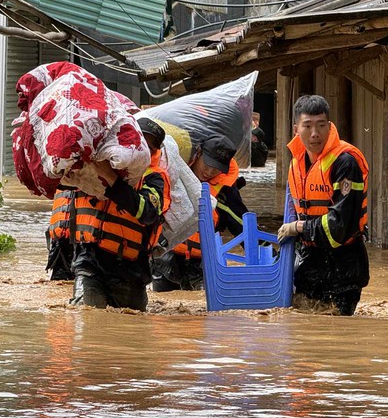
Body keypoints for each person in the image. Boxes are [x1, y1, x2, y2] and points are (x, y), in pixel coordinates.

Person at [51, 117, 171, 310]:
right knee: (85, 318)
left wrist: (111, 178)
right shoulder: (98, 163)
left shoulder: (154, 177)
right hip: (88, 263)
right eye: (141, 141)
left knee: (130, 330)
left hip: (131, 273)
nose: (143, 149)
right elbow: (60, 182)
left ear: (155, 152)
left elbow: (148, 211)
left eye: (150, 147)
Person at [277, 94, 370, 315]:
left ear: (329, 127)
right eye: (307, 126)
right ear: (296, 130)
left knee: (336, 337)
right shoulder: (296, 165)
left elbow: (339, 226)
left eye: (320, 125)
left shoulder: (345, 162)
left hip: (344, 267)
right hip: (309, 266)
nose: (315, 133)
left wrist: (298, 228)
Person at [152, 135, 248, 291]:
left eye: (217, 168)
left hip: (200, 266)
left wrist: (271, 256)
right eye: (208, 163)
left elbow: (242, 226)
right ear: (198, 153)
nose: (209, 171)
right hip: (164, 262)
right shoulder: (172, 172)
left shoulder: (226, 192)